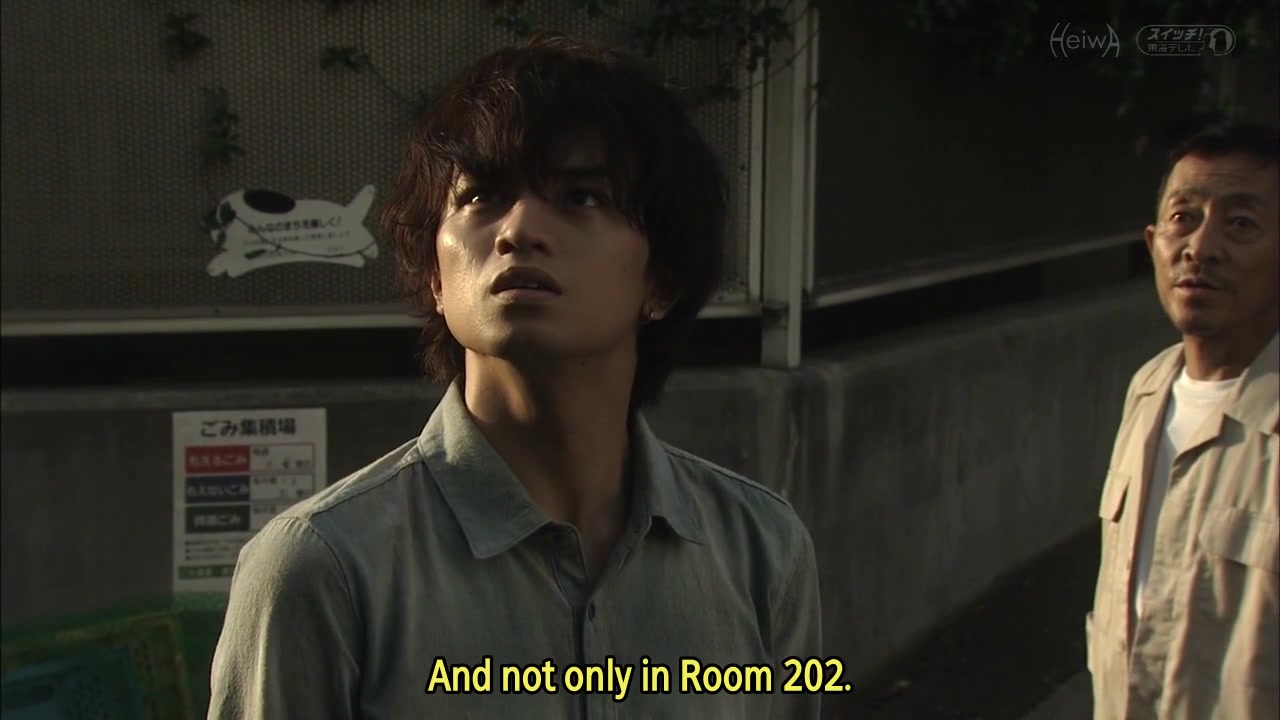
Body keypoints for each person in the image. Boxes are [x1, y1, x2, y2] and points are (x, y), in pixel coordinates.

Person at [207, 34, 822, 719]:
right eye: (481, 197)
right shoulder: (323, 568)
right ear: (434, 274)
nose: (519, 229)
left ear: (661, 279)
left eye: (582, 197)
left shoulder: (761, 551)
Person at [1086, 122, 1279, 719]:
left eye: (1240, 223)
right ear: (1152, 244)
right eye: (1182, 218)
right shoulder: (1147, 390)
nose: (1200, 247)